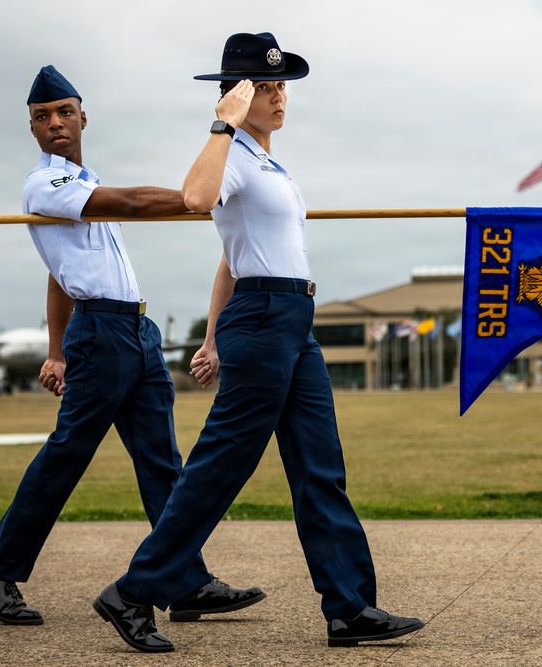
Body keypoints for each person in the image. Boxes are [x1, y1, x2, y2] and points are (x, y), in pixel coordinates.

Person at [92, 33, 424, 653]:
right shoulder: (235, 154)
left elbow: (229, 261)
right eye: (264, 88)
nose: (278, 98)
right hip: (266, 319)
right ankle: (133, 592)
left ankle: (349, 607)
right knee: (222, 465)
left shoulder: (271, 165)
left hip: (289, 318)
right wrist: (221, 125)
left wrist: (213, 336)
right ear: (237, 96)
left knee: (320, 466)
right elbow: (195, 199)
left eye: (280, 87)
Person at [0, 65, 263, 628]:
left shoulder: (82, 183)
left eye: (64, 113)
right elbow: (136, 204)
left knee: (161, 463)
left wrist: (54, 350)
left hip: (136, 331)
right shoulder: (45, 184)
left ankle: (185, 579)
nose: (54, 124)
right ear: (32, 128)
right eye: (42, 118)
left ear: (82, 117)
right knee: (68, 454)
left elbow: (57, 275)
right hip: (102, 332)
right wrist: (207, 198)